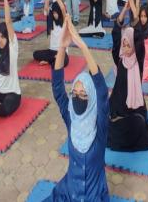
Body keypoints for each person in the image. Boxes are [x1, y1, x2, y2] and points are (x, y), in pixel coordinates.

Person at [47, 15, 110, 201]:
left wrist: (82, 46)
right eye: (75, 93)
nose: (78, 98)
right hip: (69, 192)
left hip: (94, 196)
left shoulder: (100, 127)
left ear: (91, 99)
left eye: (83, 94)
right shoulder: (71, 117)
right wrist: (62, 46)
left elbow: (102, 91)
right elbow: (58, 89)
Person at [107, 0, 148, 152]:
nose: (126, 48)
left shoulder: (138, 61)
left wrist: (135, 14)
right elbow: (116, 33)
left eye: (129, 44)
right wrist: (124, 10)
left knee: (138, 126)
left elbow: (139, 39)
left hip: (134, 113)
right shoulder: (120, 58)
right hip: (118, 110)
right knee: (107, 124)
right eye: (125, 44)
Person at [33, 0, 69, 68]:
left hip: (62, 52)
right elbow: (46, 7)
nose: (54, 14)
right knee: (35, 54)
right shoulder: (51, 20)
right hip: (52, 51)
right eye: (53, 13)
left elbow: (62, 7)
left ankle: (52, 61)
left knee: (64, 61)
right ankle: (53, 60)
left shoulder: (64, 22)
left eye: (56, 13)